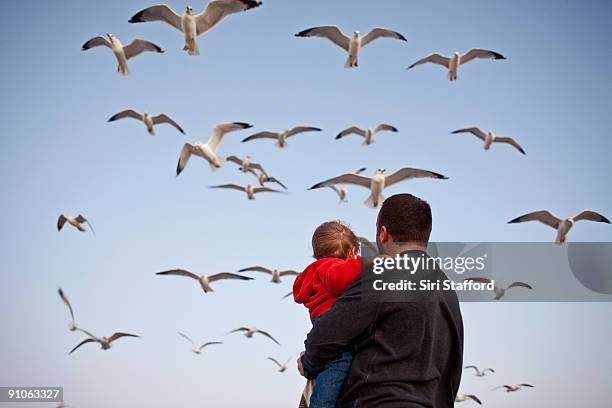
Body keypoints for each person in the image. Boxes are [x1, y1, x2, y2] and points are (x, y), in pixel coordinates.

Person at [298, 194, 464, 408]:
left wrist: (308, 363)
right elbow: (454, 369)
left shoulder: (384, 274)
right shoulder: (448, 292)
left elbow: (326, 334)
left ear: (383, 234)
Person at [293, 221, 364, 408]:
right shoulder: (330, 268)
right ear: (351, 252)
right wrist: (367, 263)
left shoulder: (314, 270)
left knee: (327, 365)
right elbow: (340, 278)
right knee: (338, 364)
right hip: (332, 322)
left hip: (321, 322)